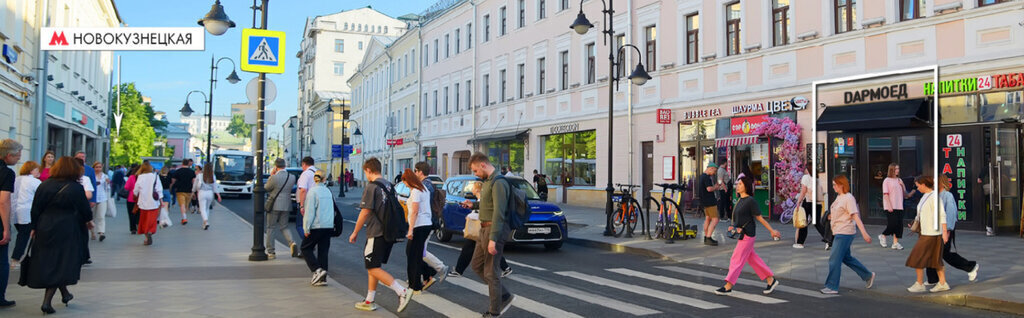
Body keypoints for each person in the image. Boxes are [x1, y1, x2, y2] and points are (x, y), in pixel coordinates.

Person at [20, 156, 94, 314]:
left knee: (51, 261)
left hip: (45, 226)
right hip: (67, 227)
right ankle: (46, 302)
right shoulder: (75, 188)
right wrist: (89, 221)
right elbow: (85, 210)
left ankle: (65, 293)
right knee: (61, 263)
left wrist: (34, 227)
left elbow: (36, 208)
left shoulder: (44, 185)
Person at [349, 157, 413, 312]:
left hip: (375, 232)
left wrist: (355, 232)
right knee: (374, 265)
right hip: (388, 231)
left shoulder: (372, 187)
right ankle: (370, 300)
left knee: (372, 268)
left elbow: (365, 212)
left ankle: (402, 291)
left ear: (369, 170)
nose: (365, 175)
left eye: (365, 172)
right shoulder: (390, 185)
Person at [459, 153, 516, 317]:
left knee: (492, 272)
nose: (475, 173)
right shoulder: (488, 182)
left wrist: (493, 239)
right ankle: (503, 294)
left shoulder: (498, 182)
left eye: (476, 170)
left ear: (483, 165)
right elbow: (489, 204)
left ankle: (494, 311)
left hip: (493, 230)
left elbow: (499, 212)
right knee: (477, 265)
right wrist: (473, 204)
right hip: (483, 229)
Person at [715, 171, 782, 295]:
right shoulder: (739, 200)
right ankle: (770, 280)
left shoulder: (750, 201)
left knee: (736, 259)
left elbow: (760, 217)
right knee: (753, 259)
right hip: (742, 234)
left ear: (745, 186)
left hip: (748, 234)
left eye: (740, 184)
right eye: (737, 184)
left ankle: (728, 285)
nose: (738, 186)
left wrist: (772, 231)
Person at [821, 175, 875, 295]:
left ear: (841, 185)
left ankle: (832, 286)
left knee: (834, 259)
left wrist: (864, 233)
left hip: (845, 232)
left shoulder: (848, 198)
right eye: (833, 184)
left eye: (835, 184)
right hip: (839, 231)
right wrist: (830, 217)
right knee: (846, 258)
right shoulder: (839, 197)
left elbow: (855, 216)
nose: (833, 187)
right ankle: (868, 275)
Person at [450, 180, 512, 278]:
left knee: (474, 249)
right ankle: (505, 268)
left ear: (477, 189)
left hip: (481, 229)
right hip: (481, 229)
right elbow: (478, 209)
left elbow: (482, 214)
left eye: (473, 188)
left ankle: (459, 270)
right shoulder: (480, 200)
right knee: (485, 249)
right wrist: (470, 207)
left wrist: (469, 216)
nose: (471, 190)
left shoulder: (484, 199)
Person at [926, 174, 980, 285]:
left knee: (944, 254)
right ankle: (932, 278)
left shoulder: (947, 195)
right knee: (934, 253)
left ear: (941, 183)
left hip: (945, 230)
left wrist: (948, 230)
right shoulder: (934, 195)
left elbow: (951, 213)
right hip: (936, 230)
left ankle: (971, 266)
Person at [905, 175, 950, 293]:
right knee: (935, 259)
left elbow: (942, 215)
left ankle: (920, 283)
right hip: (926, 232)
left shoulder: (934, 197)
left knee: (917, 256)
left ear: (924, 184)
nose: (917, 188)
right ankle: (942, 283)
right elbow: (920, 213)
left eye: (918, 185)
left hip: (932, 233)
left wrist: (944, 232)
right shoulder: (926, 196)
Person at [403, 168, 441, 293]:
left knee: (412, 254)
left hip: (419, 225)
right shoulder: (423, 189)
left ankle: (415, 284)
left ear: (408, 181)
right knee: (415, 253)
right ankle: (427, 273)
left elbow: (414, 211)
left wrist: (410, 230)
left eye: (405, 182)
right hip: (425, 224)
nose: (405, 185)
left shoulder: (416, 192)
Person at [301, 170, 334, 287]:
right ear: (324, 179)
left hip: (316, 226)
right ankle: (323, 278)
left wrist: (306, 228)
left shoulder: (312, 192)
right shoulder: (328, 191)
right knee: (323, 251)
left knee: (305, 248)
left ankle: (317, 270)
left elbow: (310, 212)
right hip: (328, 226)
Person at [0, 139, 21, 308]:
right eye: (17, 156)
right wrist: (6, 228)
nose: (18, 160)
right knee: (1, 261)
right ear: (8, 155)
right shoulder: (6, 173)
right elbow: (3, 201)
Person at [265, 159, 299, 259]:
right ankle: (292, 243)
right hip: (286, 204)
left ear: (276, 166)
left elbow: (266, 188)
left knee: (271, 227)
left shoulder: (274, 177)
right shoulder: (292, 177)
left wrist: (271, 176)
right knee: (284, 226)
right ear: (285, 166)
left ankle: (271, 252)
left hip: (274, 205)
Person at [11, 161, 41, 268]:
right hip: (28, 212)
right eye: (37, 170)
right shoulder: (34, 181)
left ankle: (20, 257)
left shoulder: (16, 180)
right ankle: (16, 258)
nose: (39, 172)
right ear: (31, 170)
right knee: (24, 236)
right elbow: (41, 195)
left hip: (15, 212)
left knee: (23, 234)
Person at [881, 163, 913, 250]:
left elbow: (905, 194)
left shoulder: (900, 180)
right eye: (896, 169)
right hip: (890, 206)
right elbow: (885, 194)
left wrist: (902, 186)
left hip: (899, 205)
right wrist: (889, 206)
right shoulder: (886, 181)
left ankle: (895, 243)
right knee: (892, 224)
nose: (898, 170)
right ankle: (883, 235)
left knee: (899, 225)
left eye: (898, 168)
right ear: (891, 170)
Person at [794, 168, 827, 248]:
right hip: (818, 203)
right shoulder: (817, 179)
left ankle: (800, 242)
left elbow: (803, 191)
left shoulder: (806, 177)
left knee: (803, 222)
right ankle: (829, 239)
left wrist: (798, 202)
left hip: (808, 202)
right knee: (817, 223)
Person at [133, 162, 163, 245]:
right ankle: (150, 231)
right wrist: (161, 201)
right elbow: (158, 189)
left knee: (144, 219)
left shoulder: (140, 177)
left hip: (143, 202)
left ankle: (146, 236)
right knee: (152, 219)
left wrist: (135, 195)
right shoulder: (155, 176)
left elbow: (136, 189)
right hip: (153, 201)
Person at [698, 163, 724, 246]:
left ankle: (706, 236)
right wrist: (716, 187)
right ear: (711, 168)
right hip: (710, 201)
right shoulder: (707, 177)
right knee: (715, 219)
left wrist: (715, 186)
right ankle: (709, 237)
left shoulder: (702, 176)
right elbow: (709, 189)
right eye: (714, 171)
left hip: (704, 201)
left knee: (708, 218)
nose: (714, 173)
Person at [193, 165, 221, 230]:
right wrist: (218, 195)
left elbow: (195, 185)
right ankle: (205, 223)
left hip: (202, 192)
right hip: (210, 193)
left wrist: (193, 191)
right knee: (207, 208)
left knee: (202, 208)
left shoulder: (199, 175)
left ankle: (205, 221)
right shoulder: (212, 176)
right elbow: (215, 186)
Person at [296, 157, 318, 237]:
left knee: (300, 225)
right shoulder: (317, 173)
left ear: (304, 164)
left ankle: (308, 243)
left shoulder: (305, 174)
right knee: (313, 225)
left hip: (306, 202)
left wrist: (301, 205)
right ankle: (313, 242)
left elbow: (303, 190)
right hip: (317, 202)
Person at [90, 162, 111, 242]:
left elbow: (108, 188)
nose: (98, 169)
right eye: (96, 167)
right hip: (93, 198)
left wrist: (108, 183)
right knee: (92, 217)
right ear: (94, 168)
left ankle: (101, 233)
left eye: (100, 167)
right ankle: (92, 233)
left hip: (102, 198)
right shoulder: (92, 176)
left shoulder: (105, 176)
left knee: (101, 216)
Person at [171, 159, 196, 225]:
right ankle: (184, 217)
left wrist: (171, 187)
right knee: (186, 205)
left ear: (182, 163)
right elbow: (194, 182)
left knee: (182, 204)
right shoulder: (192, 172)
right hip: (189, 190)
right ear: (188, 163)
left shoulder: (178, 171)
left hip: (180, 190)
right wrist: (194, 191)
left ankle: (184, 218)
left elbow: (173, 181)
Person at [124, 164, 140, 234]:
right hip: (141, 198)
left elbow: (127, 187)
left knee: (131, 214)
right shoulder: (143, 178)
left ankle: (133, 229)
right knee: (139, 213)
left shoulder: (131, 177)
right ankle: (138, 224)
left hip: (131, 198)